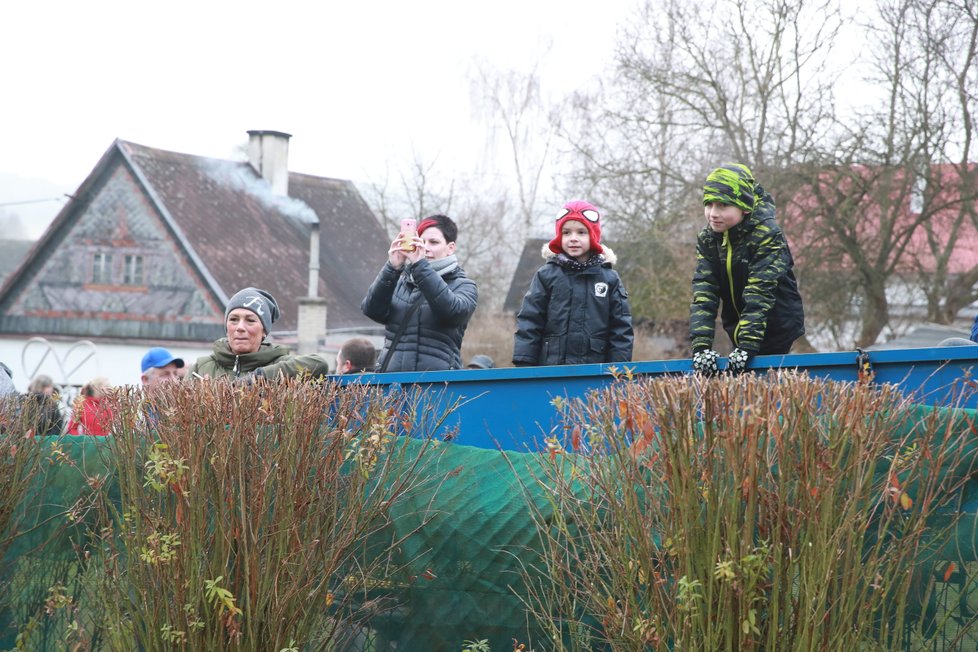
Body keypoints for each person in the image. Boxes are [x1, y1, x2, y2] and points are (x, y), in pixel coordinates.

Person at [690, 163, 805, 375]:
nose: (713, 213)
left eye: (723, 206)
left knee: (766, 389)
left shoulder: (767, 234)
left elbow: (760, 293)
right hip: (738, 327)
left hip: (778, 326)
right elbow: (704, 292)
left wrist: (747, 347)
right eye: (709, 205)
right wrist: (701, 347)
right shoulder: (708, 239)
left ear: (744, 207)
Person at [512, 200, 633, 366]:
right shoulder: (546, 275)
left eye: (581, 232)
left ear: (593, 236)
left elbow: (621, 328)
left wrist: (618, 369)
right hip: (551, 368)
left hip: (594, 371)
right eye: (567, 233)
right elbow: (530, 320)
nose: (573, 239)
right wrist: (524, 362)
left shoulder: (609, 279)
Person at [361, 214, 478, 372]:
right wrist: (392, 268)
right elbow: (371, 310)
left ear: (450, 248)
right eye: (421, 241)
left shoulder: (464, 285)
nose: (425, 247)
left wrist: (420, 266)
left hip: (438, 385)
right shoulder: (401, 281)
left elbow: (452, 313)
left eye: (434, 242)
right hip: (391, 384)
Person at [187, 287, 330, 380]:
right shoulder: (201, 367)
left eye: (250, 320)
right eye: (234, 319)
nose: (240, 327)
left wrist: (256, 379)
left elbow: (319, 364)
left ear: (264, 331)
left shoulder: (279, 363)